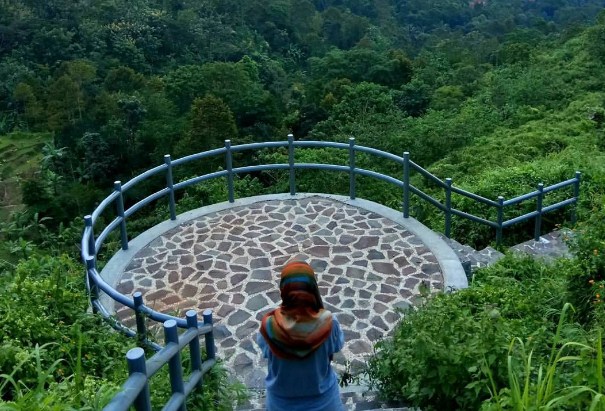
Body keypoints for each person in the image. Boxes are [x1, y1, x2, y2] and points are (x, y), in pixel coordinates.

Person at [257, 261, 345, 411]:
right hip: (325, 404)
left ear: (283, 289)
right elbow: (335, 348)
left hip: (280, 406)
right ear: (312, 288)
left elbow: (266, 353)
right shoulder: (329, 324)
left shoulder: (269, 326)